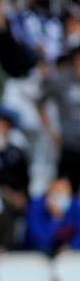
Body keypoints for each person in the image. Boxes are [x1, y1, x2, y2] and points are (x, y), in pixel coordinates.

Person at [38, 49, 80, 190]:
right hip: (68, 144)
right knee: (64, 186)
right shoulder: (62, 80)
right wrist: (50, 131)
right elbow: (41, 102)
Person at [25, 178, 80, 256]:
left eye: (64, 195)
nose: (61, 200)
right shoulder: (36, 206)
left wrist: (72, 247)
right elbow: (41, 241)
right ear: (48, 196)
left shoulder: (75, 205)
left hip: (67, 256)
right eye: (56, 196)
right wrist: (55, 219)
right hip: (37, 255)